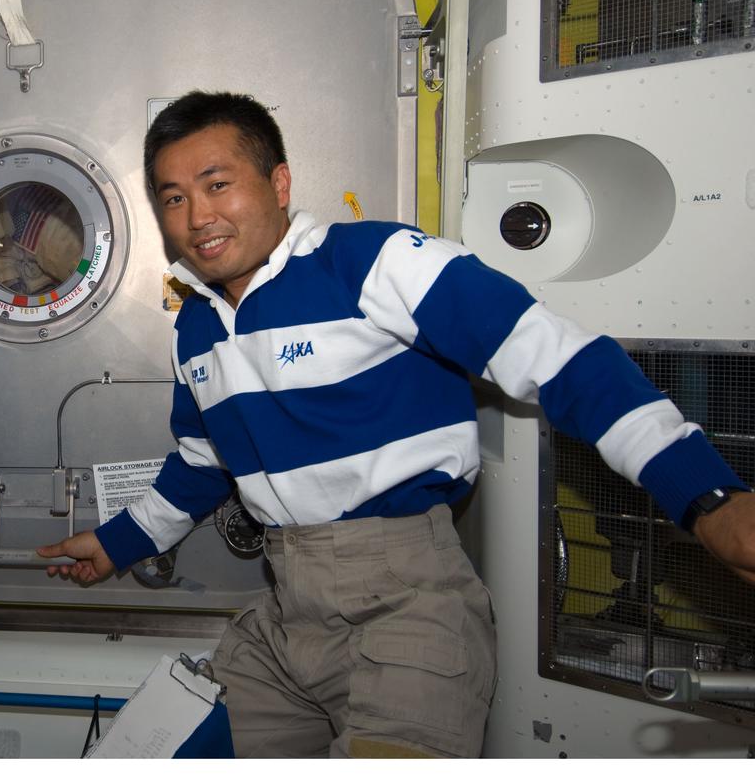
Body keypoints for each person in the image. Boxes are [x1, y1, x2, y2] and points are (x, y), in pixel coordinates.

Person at [38, 92, 755, 758]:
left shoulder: (373, 262)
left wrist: (707, 498)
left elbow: (563, 360)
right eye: (174, 197)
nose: (198, 217)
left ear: (279, 184)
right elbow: (201, 463)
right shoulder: (195, 326)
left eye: (218, 184)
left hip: (408, 606)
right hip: (286, 609)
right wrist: (113, 545)